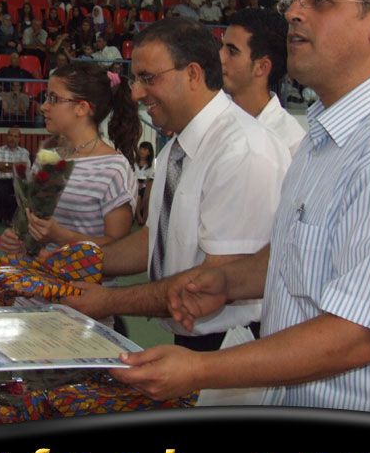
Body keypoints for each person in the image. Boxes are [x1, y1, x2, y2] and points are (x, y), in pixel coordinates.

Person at [119, 0, 370, 418]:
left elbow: (361, 333)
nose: (294, 12)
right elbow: (299, 254)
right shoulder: (325, 136)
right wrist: (228, 280)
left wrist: (200, 369)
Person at [62, 18, 290, 352]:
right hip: (195, 337)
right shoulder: (177, 148)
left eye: (148, 78)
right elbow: (154, 240)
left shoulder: (242, 150)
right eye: (135, 79)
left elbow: (216, 280)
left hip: (234, 346)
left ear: (193, 74)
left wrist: (108, 300)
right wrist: (75, 263)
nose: (136, 93)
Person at [0, 62, 141, 260]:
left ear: (81, 108)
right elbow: (33, 224)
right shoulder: (48, 157)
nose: (44, 107)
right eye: (46, 98)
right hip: (38, 276)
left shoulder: (114, 168)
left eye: (53, 99)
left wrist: (61, 237)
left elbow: (118, 248)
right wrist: (19, 239)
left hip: (85, 281)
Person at [220, 9, 305, 155]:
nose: (220, 57)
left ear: (261, 67)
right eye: (221, 46)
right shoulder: (210, 115)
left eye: (232, 52)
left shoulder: (290, 142)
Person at [0, 127, 31, 224]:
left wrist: (6, 165)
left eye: (15, 136)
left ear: (19, 139)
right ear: (7, 137)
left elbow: (25, 168)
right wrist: (16, 166)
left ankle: (21, 219)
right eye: (10, 136)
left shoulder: (24, 152)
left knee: (25, 192)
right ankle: (9, 219)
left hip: (20, 180)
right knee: (2, 193)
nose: (12, 138)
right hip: (4, 181)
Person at [133, 141, 154, 226]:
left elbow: (150, 177)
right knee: (138, 194)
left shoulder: (150, 165)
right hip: (134, 184)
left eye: (145, 149)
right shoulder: (133, 162)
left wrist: (143, 183)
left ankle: (142, 217)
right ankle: (139, 216)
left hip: (144, 185)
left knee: (144, 193)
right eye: (140, 148)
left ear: (149, 152)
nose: (141, 151)